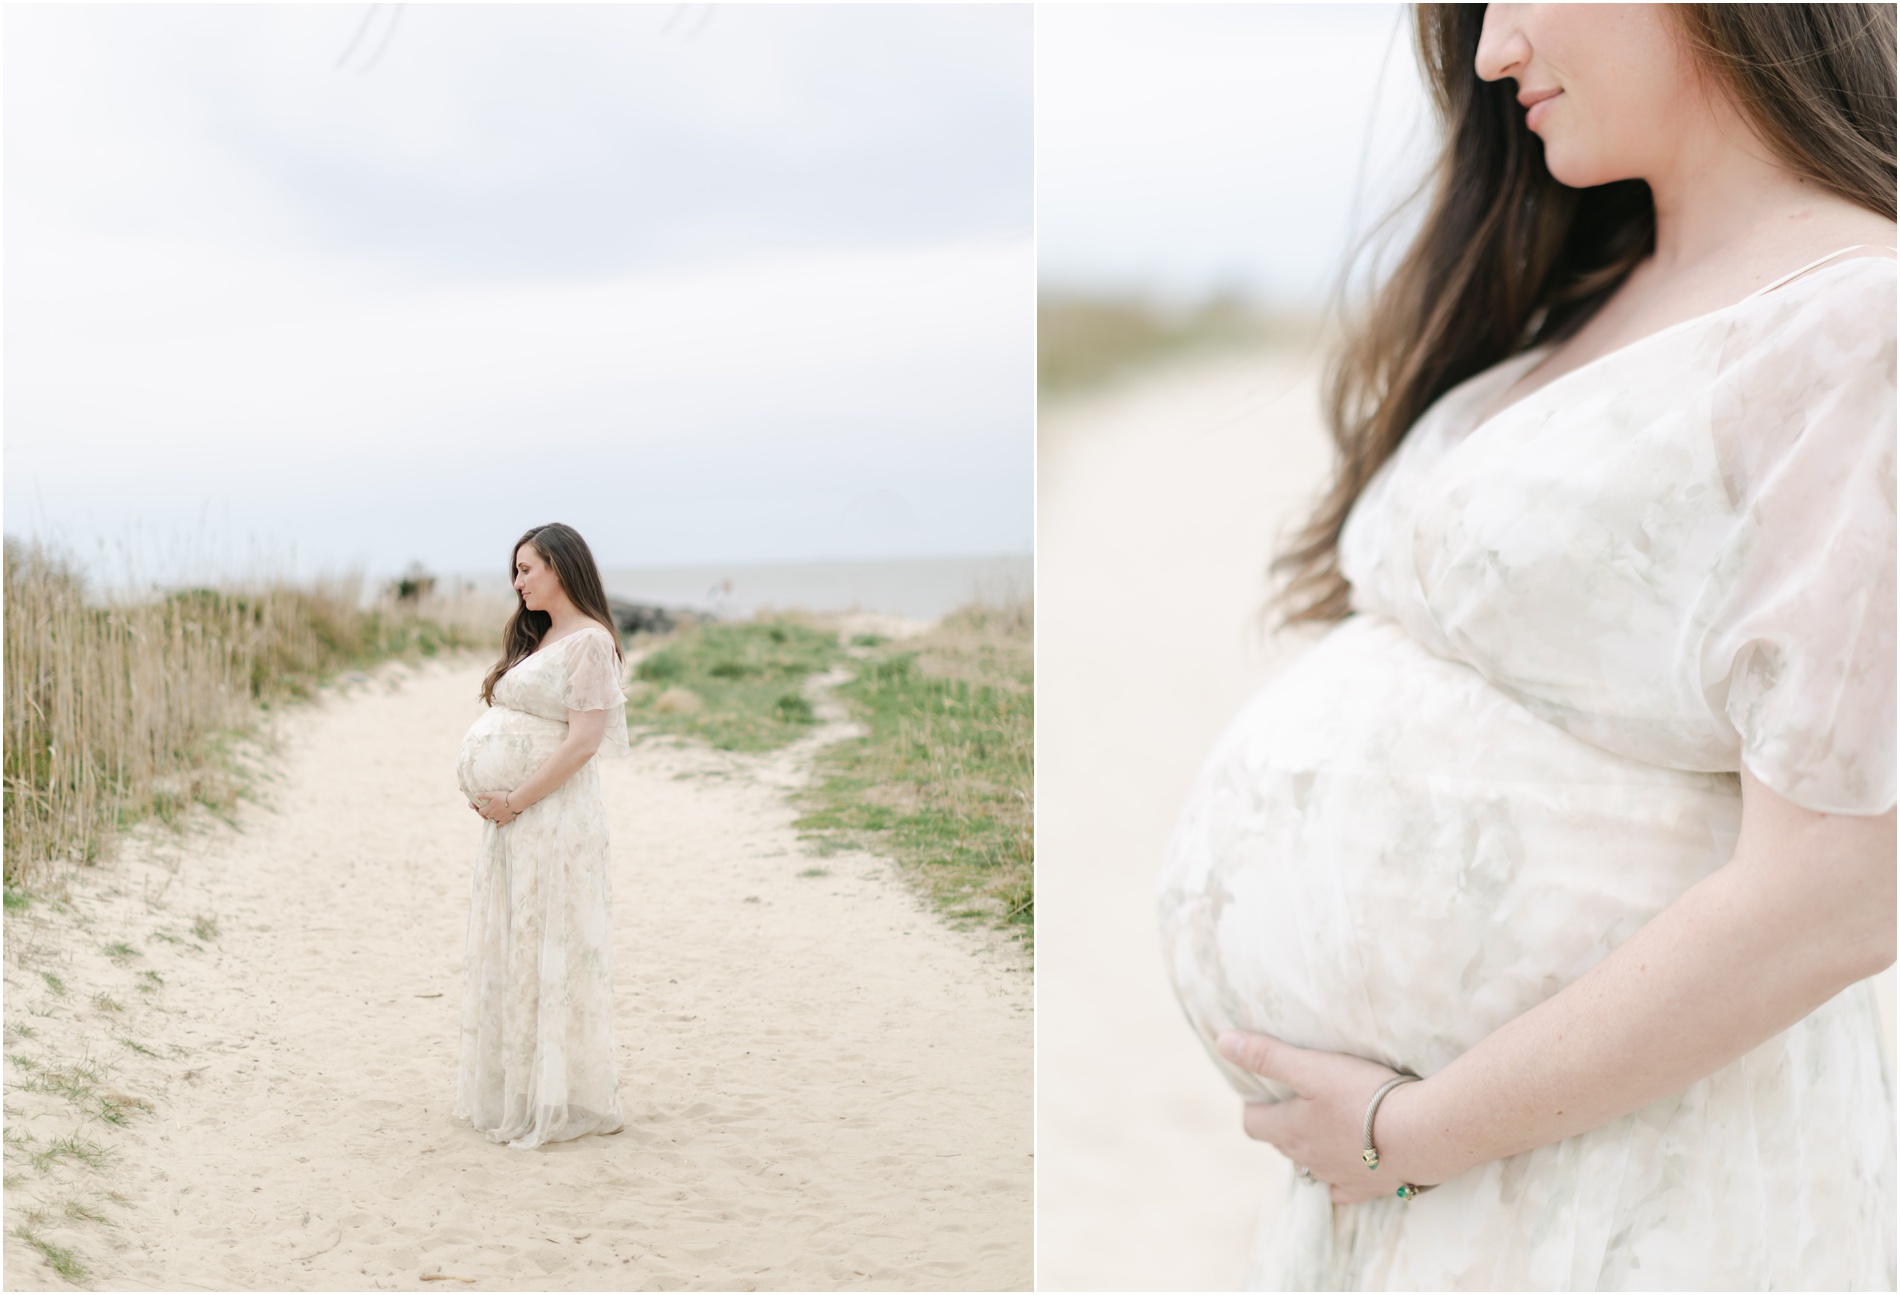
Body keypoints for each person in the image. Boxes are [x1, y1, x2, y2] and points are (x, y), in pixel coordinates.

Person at [1158, 5, 1896, 1288]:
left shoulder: (1859, 326)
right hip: (1443, 1186)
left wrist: (1414, 1131)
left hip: (1626, 1187)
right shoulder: (1592, 285)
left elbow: (1842, 887)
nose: (1491, 54)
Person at [455, 522, 630, 1149]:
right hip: (515, 820)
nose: (518, 582)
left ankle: (554, 1092)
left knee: (545, 940)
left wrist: (516, 800)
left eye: (527, 568)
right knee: (517, 939)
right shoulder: (542, 637)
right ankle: (522, 1084)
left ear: (560, 566)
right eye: (516, 570)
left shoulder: (590, 643)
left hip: (549, 816)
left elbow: (584, 742)